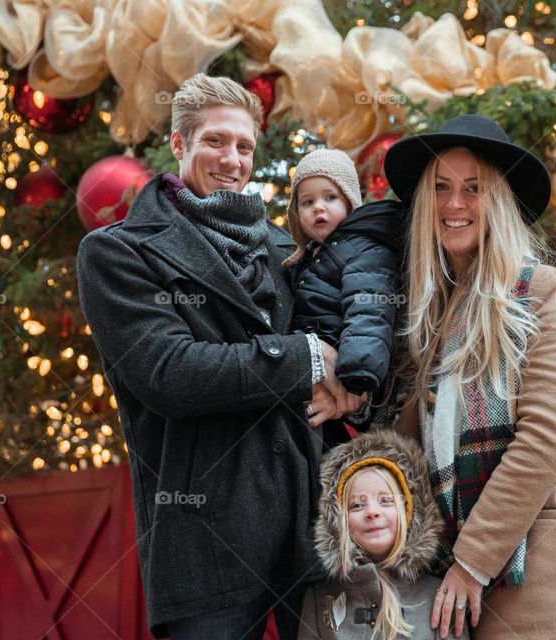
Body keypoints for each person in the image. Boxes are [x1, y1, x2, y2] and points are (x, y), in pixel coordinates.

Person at [75, 73, 364, 639]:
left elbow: (344, 339)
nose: (231, 159)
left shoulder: (287, 249)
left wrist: (354, 381)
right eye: (214, 141)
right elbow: (169, 373)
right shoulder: (117, 253)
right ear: (180, 144)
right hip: (206, 541)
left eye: (244, 146)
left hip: (315, 530)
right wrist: (303, 357)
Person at [380, 114, 556, 639]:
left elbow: (543, 440)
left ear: (498, 202)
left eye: (473, 189)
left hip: (534, 577)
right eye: (441, 188)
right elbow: (414, 445)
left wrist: (473, 562)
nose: (454, 205)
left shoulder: (551, 293)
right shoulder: (436, 316)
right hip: (450, 586)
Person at [283, 148, 403, 453]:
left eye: (330, 198)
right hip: (309, 367)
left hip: (347, 372)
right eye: (307, 202)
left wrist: (357, 371)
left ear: (350, 203)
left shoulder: (364, 249)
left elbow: (369, 307)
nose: (318, 208)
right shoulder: (308, 257)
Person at [298, 429, 468, 640]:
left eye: (386, 501)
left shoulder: (439, 593)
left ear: (409, 513)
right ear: (338, 521)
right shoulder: (318, 597)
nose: (371, 512)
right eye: (357, 505)